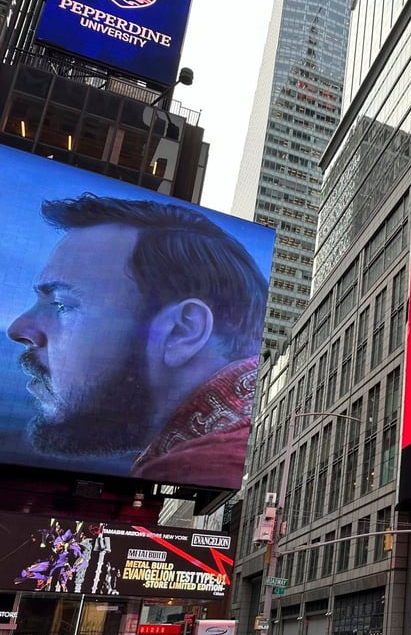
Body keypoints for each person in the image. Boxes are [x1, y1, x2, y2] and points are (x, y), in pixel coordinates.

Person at [6, 194, 268, 490]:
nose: (18, 328)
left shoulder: (201, 465)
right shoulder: (237, 439)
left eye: (62, 304)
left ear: (182, 330)